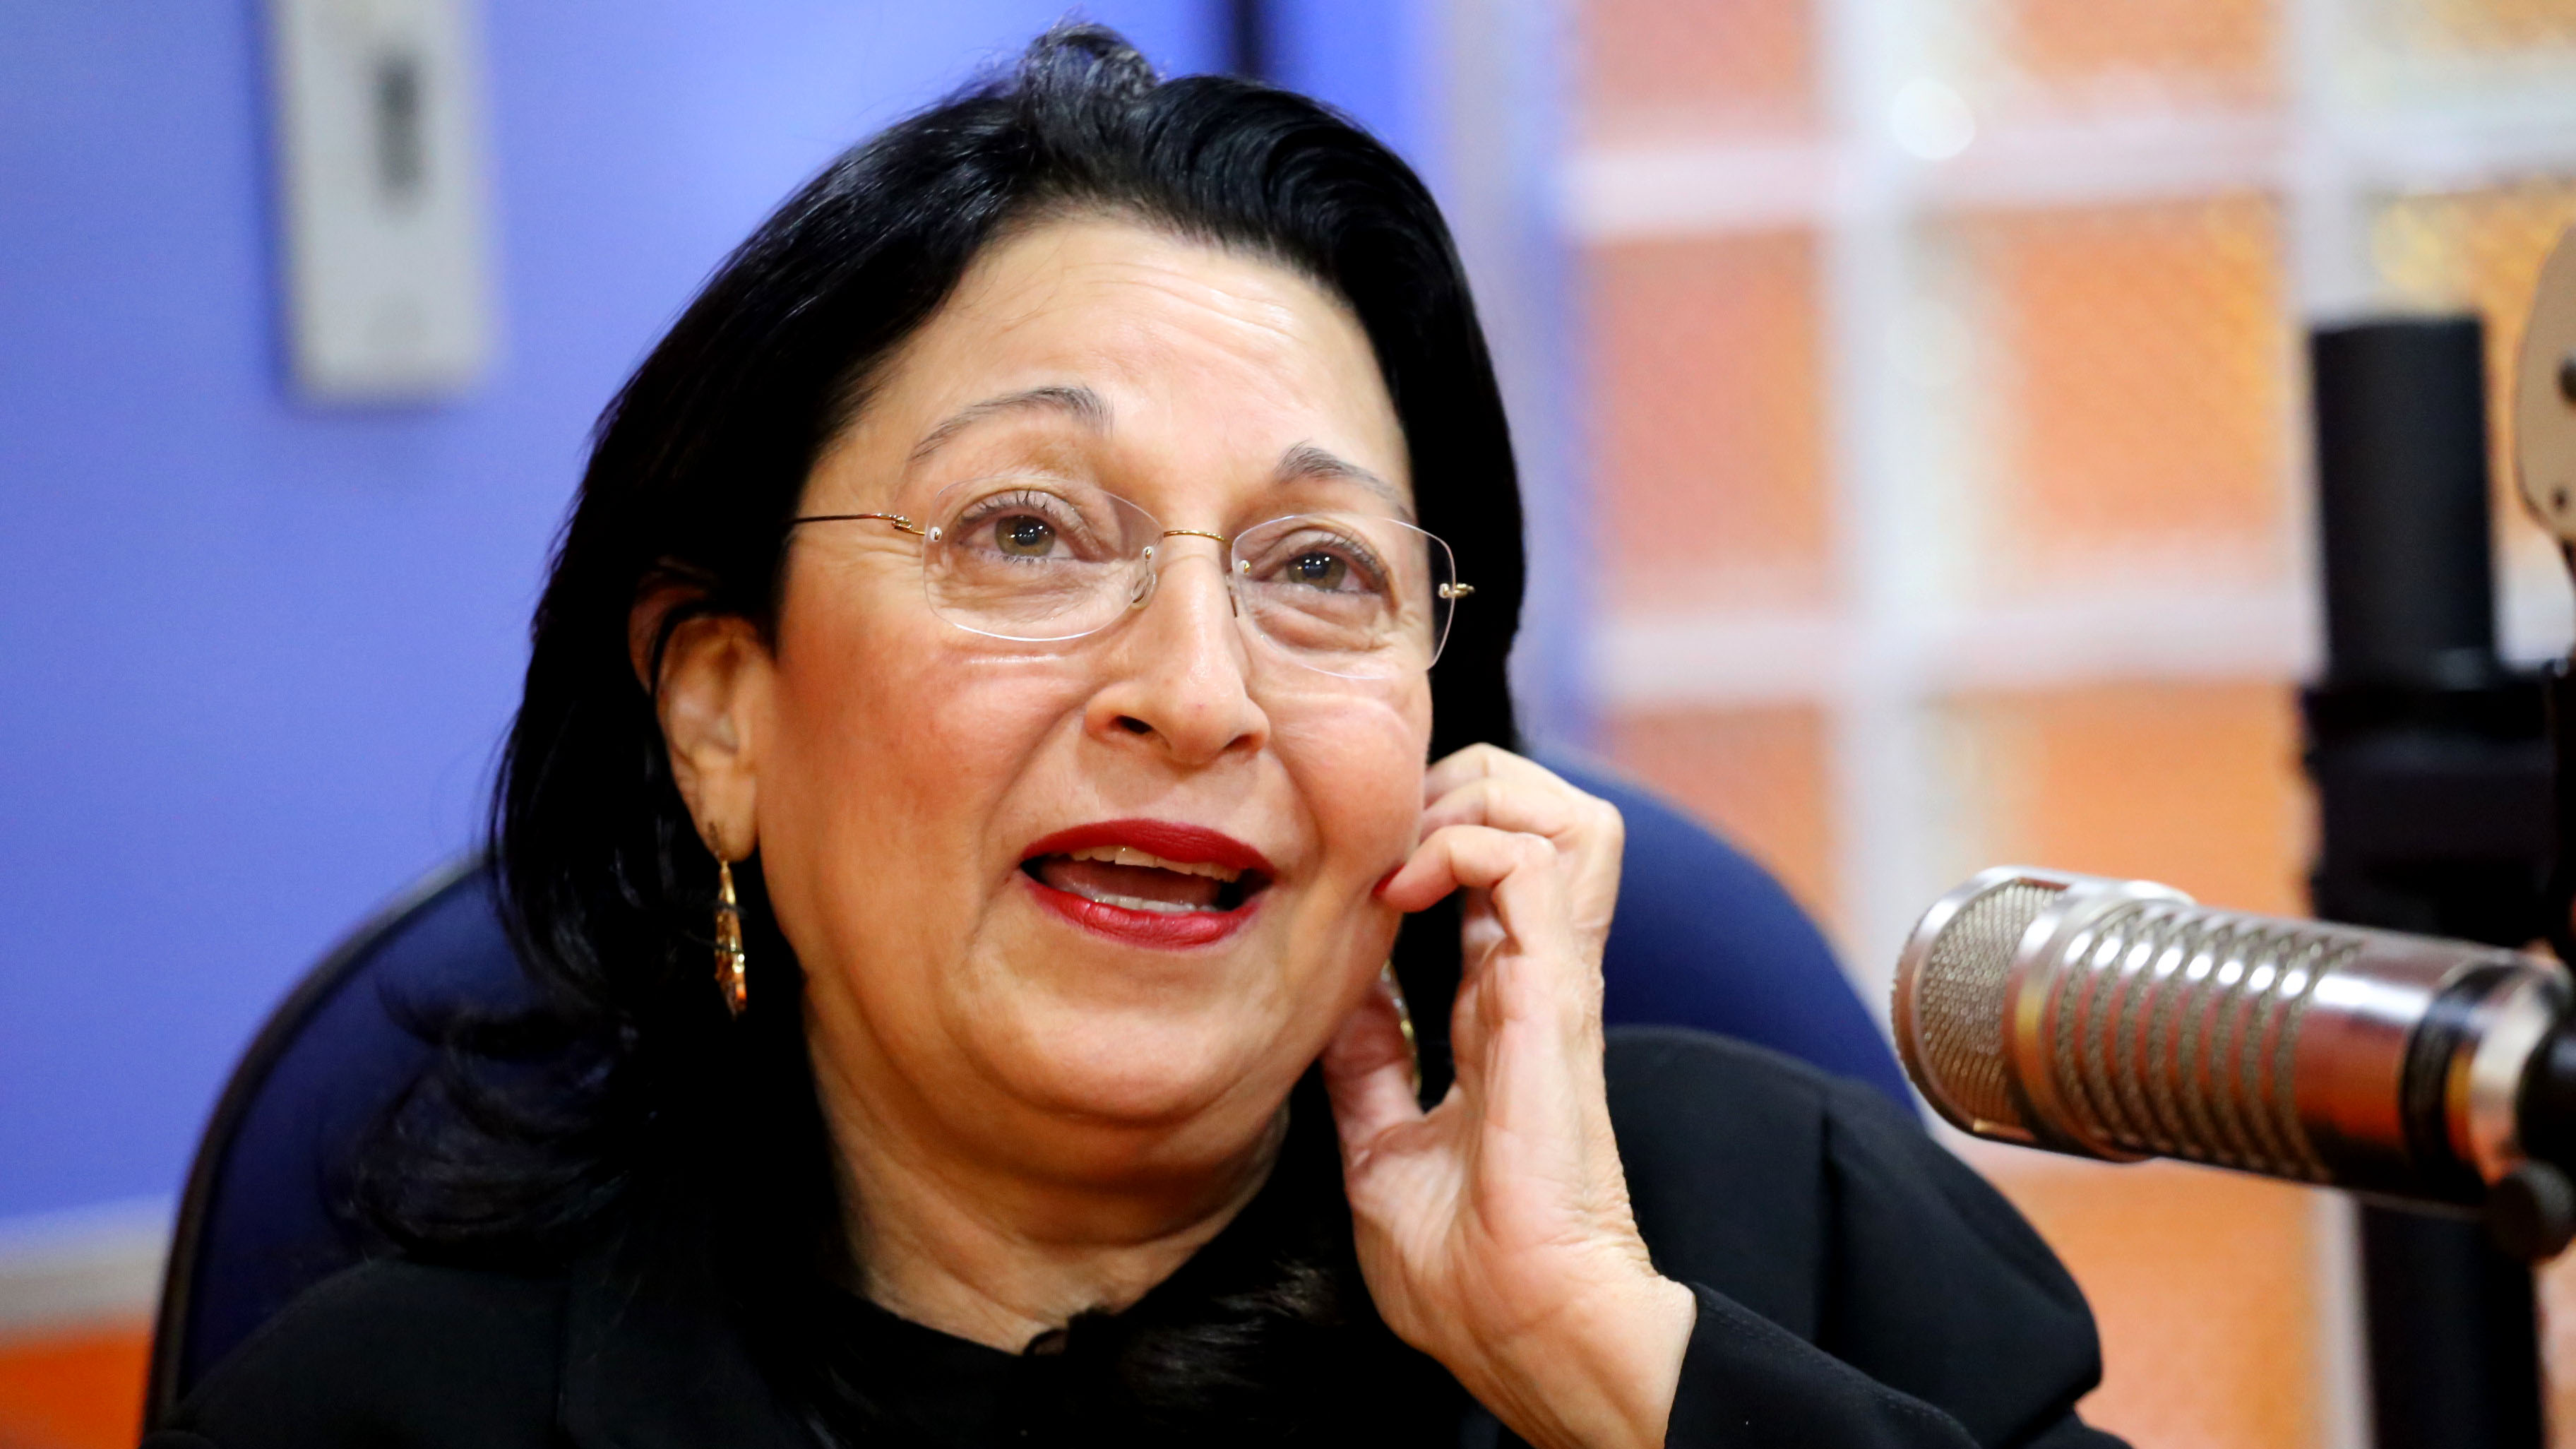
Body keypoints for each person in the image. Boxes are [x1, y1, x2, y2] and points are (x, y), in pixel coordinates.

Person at [150, 26, 2125, 1449]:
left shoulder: (1770, 1229)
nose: (1197, 687)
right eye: (1028, 533)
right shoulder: (388, 1411)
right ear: (722, 712)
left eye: (1319, 568)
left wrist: (1607, 1368)